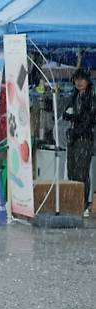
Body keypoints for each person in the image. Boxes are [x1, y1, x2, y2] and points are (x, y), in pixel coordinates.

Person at [64, 69, 96, 217]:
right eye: (76, 79)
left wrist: (76, 125)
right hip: (73, 139)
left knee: (81, 172)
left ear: (88, 81)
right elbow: (66, 114)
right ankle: (73, 201)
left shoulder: (92, 96)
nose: (79, 82)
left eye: (82, 79)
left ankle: (82, 204)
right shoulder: (74, 95)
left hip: (85, 139)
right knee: (71, 170)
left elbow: (88, 119)